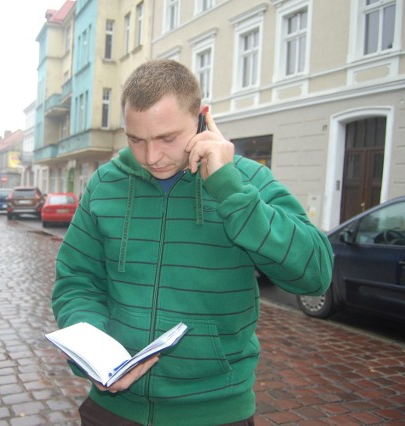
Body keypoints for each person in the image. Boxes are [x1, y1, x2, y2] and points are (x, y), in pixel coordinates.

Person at [51, 59, 334, 425]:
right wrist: (94, 355)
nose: (151, 157)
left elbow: (315, 275)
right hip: (112, 410)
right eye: (136, 139)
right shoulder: (105, 184)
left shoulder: (247, 181)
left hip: (215, 412)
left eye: (167, 138)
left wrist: (229, 188)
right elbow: (76, 281)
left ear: (201, 119)